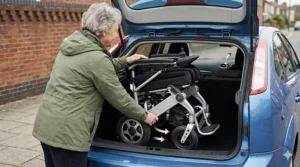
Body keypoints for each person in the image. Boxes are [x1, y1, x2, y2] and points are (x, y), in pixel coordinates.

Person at [32, 3, 159, 167]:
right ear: (104, 32)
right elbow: (118, 96)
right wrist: (144, 115)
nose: (116, 36)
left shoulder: (73, 46)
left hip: (47, 126)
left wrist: (125, 61)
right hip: (68, 135)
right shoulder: (96, 58)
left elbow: (91, 68)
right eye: (115, 31)